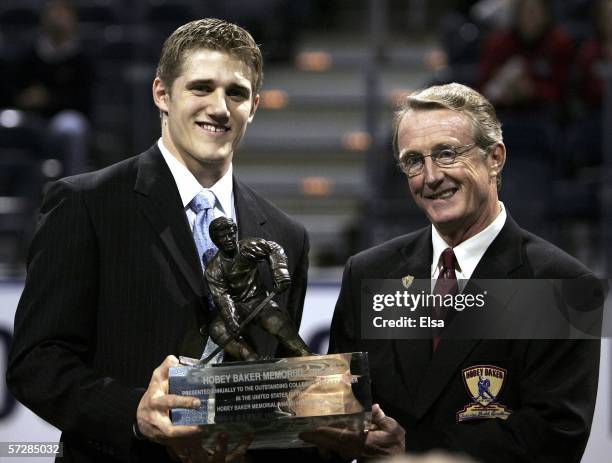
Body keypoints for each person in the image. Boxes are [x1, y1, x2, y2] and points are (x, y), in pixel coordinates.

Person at [7, 18, 309, 462]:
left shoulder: (285, 235)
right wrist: (134, 412)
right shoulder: (86, 204)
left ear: (255, 106)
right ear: (162, 94)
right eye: (201, 87)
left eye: (236, 93)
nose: (220, 107)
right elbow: (37, 364)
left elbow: (275, 387)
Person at [301, 83, 600, 462]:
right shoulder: (369, 273)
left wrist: (410, 454)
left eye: (446, 154)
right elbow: (342, 414)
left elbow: (556, 441)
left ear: (495, 158)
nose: (430, 177)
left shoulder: (564, 286)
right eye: (413, 161)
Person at [205, 216, 311, 361]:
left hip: (258, 300)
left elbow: (273, 248)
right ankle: (251, 358)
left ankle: (304, 354)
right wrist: (231, 320)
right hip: (236, 306)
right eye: (223, 236)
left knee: (276, 322)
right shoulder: (213, 269)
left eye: (231, 234)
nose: (228, 239)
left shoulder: (248, 247)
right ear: (215, 240)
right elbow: (221, 296)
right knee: (217, 329)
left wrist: (280, 272)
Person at [12, 0, 93, 175]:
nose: (57, 18)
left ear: (73, 20)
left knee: (73, 127)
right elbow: (13, 92)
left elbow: (84, 102)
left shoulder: (82, 59)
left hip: (63, 120)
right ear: (43, 19)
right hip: (29, 119)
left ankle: (73, 190)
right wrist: (24, 99)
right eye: (53, 12)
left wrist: (47, 99)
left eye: (63, 13)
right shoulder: (28, 55)